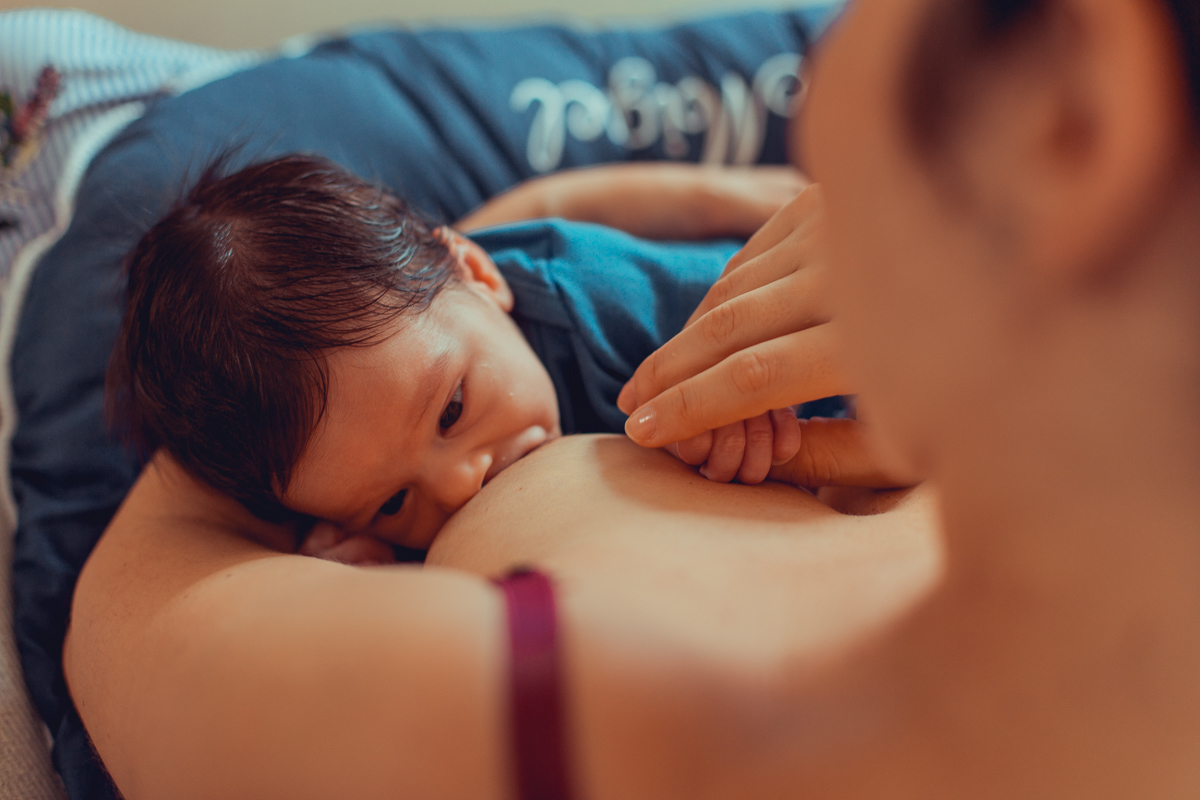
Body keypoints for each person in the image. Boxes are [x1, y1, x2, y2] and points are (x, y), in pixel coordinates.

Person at [65, 0, 1200, 797]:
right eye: (393, 506)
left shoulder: (640, 337)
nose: (456, 483)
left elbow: (142, 614)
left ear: (1075, 108)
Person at [108, 154, 813, 564]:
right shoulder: (405, 372)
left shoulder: (624, 307)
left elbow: (829, 346)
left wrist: (756, 419)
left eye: (452, 411)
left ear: (478, 275)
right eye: (390, 503)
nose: (462, 485)